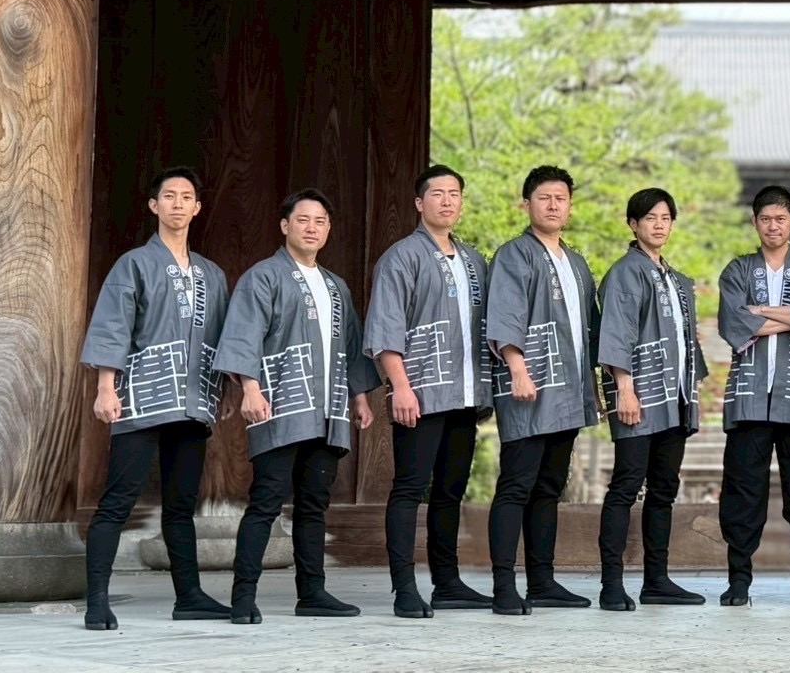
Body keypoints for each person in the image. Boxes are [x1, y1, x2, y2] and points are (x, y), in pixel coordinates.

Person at [215, 189, 379, 624]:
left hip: (328, 410)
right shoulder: (263, 276)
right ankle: (243, 596)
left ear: (328, 229)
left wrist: (359, 396)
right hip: (280, 406)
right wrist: (250, 389)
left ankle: (313, 593)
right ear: (285, 225)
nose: (312, 228)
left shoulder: (336, 286)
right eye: (303, 220)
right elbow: (244, 334)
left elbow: (351, 346)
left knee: (313, 504)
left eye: (320, 221)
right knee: (266, 500)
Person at [79, 167, 231, 630]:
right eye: (169, 196)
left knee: (181, 504)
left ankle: (189, 597)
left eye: (186, 197)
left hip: (193, 401)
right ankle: (97, 599)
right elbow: (113, 326)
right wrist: (106, 387)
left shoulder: (212, 274)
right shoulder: (134, 264)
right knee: (118, 499)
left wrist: (223, 388)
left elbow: (225, 336)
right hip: (142, 398)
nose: (177, 204)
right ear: (154, 205)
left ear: (197, 208)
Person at [365, 165, 494, 618]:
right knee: (409, 488)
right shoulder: (401, 256)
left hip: (464, 393)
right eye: (437, 194)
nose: (447, 201)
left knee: (450, 491)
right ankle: (404, 587)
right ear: (420, 203)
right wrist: (399, 386)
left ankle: (448, 582)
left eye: (454, 193)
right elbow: (386, 325)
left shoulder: (474, 260)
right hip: (419, 392)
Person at [485, 166, 602, 615]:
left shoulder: (576, 263)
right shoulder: (514, 255)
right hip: (529, 387)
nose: (553, 205)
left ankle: (542, 580)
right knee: (517, 484)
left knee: (550, 486)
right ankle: (503, 586)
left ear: (570, 207)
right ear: (526, 204)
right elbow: (505, 314)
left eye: (561, 198)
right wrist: (517, 368)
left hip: (568, 389)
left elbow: (589, 329)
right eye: (544, 198)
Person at [715, 185, 790, 607]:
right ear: (755, 222)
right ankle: (738, 580)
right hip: (749, 398)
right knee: (742, 492)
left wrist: (759, 312)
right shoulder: (737, 270)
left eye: (780, 219)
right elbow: (732, 323)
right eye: (765, 219)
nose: (772, 226)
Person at [595, 188, 709, 610]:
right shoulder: (626, 272)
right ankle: (611, 583)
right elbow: (617, 331)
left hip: (673, 398)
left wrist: (692, 390)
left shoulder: (675, 278)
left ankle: (656, 580)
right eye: (650, 218)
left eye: (665, 218)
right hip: (638, 397)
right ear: (633, 224)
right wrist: (624, 389)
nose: (659, 225)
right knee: (626, 485)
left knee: (663, 489)